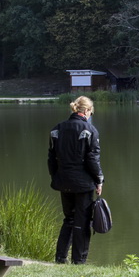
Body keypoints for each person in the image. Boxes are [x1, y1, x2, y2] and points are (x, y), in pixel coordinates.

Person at [48, 95, 104, 264]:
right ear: (86, 110)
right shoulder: (90, 130)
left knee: (69, 219)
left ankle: (60, 258)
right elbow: (92, 159)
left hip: (63, 181)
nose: (91, 114)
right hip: (83, 184)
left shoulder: (57, 129)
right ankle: (79, 261)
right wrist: (99, 180)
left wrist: (56, 177)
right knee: (83, 221)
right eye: (91, 112)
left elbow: (51, 159)